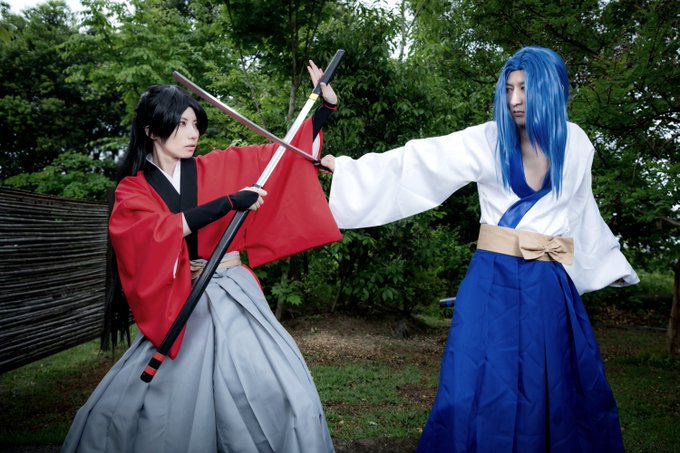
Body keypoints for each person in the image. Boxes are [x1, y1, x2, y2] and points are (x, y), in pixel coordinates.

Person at [320, 46, 638, 452]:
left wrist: (605, 264)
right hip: (492, 282)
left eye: (525, 89)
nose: (515, 100)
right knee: (475, 387)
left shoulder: (575, 143)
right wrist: (349, 171)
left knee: (554, 388)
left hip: (547, 287)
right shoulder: (490, 139)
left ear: (551, 90)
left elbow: (581, 209)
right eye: (509, 89)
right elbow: (422, 161)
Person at [62, 61, 341, 453]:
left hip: (233, 293)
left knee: (282, 392)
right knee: (142, 413)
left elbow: (278, 158)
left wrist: (324, 109)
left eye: (195, 124)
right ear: (151, 130)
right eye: (181, 124)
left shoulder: (217, 166)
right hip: (180, 300)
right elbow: (153, 233)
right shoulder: (133, 190)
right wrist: (227, 202)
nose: (193, 134)